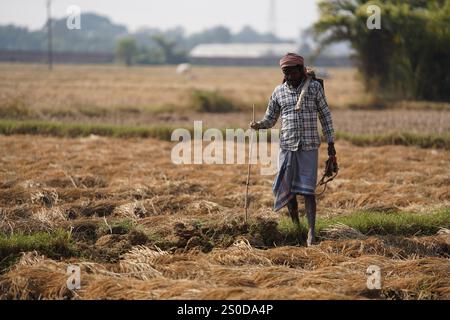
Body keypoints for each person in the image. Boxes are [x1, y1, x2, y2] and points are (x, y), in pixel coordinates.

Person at [250, 52, 337, 246]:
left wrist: (331, 145)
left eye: (293, 72)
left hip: (308, 145)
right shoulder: (279, 92)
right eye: (286, 73)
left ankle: (311, 233)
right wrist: (259, 125)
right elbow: (271, 119)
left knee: (307, 191)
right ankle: (297, 226)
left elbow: (325, 117)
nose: (290, 76)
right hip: (287, 145)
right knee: (288, 189)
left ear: (301, 70)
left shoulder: (314, 88)